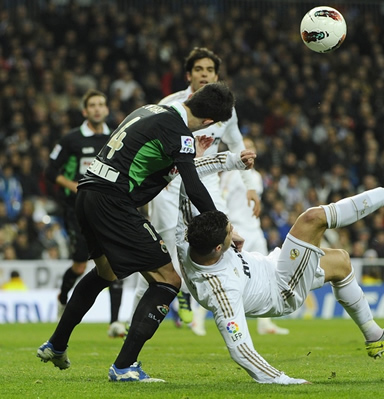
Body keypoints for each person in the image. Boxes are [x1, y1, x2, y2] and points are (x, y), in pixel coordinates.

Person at [36, 82, 247, 382]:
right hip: (113, 199)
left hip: (88, 193)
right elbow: (193, 185)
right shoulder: (181, 133)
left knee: (106, 273)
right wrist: (225, 226)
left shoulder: (148, 109)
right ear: (209, 123)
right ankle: (124, 366)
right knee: (168, 279)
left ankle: (56, 344)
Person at [176, 157, 384, 384]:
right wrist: (285, 380)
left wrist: (231, 160)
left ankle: (375, 336)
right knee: (312, 219)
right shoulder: (221, 290)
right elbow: (241, 349)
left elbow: (188, 173)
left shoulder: (186, 235)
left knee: (340, 262)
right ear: (218, 249)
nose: (234, 233)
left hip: (272, 266)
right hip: (282, 288)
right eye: (229, 233)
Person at [130, 47, 261, 335]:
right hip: (169, 185)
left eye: (210, 70)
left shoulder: (226, 111)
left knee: (219, 242)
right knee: (161, 251)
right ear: (189, 74)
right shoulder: (171, 104)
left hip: (206, 184)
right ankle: (133, 318)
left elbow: (238, 146)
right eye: (199, 69)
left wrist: (251, 186)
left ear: (216, 75)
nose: (205, 74)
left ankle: (217, 310)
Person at [45, 89, 124, 335]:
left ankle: (114, 322)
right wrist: (74, 186)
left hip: (107, 208)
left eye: (102, 104)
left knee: (115, 259)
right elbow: (50, 171)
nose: (98, 108)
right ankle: (63, 296)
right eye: (93, 105)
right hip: (76, 209)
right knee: (80, 265)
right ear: (85, 111)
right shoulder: (71, 139)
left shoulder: (116, 137)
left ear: (107, 109)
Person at [220, 137, 289, 335]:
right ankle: (199, 317)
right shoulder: (231, 175)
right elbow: (221, 199)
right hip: (237, 228)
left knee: (268, 272)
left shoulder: (257, 176)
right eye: (246, 147)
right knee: (229, 275)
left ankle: (265, 323)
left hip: (255, 229)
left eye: (252, 147)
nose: (250, 150)